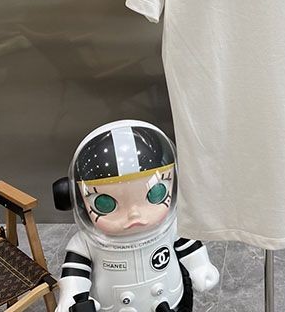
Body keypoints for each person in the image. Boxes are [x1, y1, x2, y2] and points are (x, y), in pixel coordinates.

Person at [53, 119, 219, 312]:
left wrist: (199, 266)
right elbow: (75, 274)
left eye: (155, 193)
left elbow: (188, 246)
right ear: (75, 198)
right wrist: (72, 297)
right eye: (105, 203)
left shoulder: (170, 227)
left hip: (170, 299)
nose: (134, 214)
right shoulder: (87, 243)